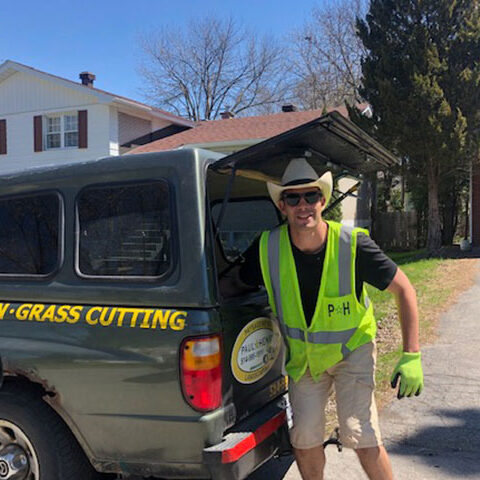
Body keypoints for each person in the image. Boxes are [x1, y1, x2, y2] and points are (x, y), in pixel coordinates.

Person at [235, 158, 424, 480]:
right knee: (304, 438)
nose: (303, 205)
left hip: (353, 352)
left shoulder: (353, 244)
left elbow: (404, 289)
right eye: (292, 198)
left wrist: (411, 355)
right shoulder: (268, 247)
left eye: (310, 196)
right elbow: (235, 283)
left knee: (360, 435)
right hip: (305, 361)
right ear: (282, 206)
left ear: (322, 200)